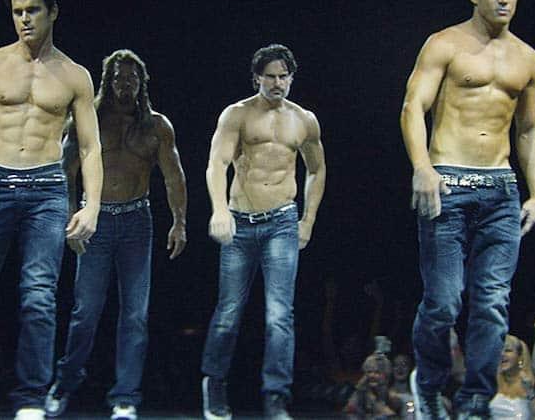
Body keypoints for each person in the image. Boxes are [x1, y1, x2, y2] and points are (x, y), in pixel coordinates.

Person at [0, 0, 102, 420]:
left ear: (52, 12)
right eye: (17, 12)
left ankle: (31, 399)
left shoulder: (74, 76)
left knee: (38, 297)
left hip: (46, 191)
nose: (24, 19)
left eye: (33, 10)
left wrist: (91, 205)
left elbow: (90, 147)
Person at [400, 0, 535, 419]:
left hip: (501, 190)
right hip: (448, 185)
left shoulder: (527, 58)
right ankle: (430, 383)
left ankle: (476, 400)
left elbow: (528, 130)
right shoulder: (444, 44)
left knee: (492, 304)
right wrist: (422, 167)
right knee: (444, 302)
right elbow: (413, 107)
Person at [44, 50, 188, 420]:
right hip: (96, 221)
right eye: (119, 78)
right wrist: (70, 219)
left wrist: (179, 222)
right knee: (85, 312)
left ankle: (125, 396)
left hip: (137, 222)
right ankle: (65, 382)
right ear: (108, 82)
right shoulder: (88, 119)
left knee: (135, 315)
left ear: (142, 84)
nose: (125, 84)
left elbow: (174, 176)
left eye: (132, 78)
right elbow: (65, 170)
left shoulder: (157, 126)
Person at [200, 44, 326, 420]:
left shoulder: (304, 120)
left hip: (282, 222)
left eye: (283, 76)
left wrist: (308, 220)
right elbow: (217, 163)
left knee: (279, 315)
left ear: (292, 77)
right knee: (229, 312)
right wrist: (219, 210)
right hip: (240, 222)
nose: (277, 83)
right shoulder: (237, 114)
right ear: (257, 78)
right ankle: (214, 383)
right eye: (270, 76)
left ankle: (276, 396)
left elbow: (317, 169)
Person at [489, 335, 535, 420]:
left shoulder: (532, 383)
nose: (502, 354)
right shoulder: (493, 382)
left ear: (520, 357)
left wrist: (530, 391)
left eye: (508, 350)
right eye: (499, 350)